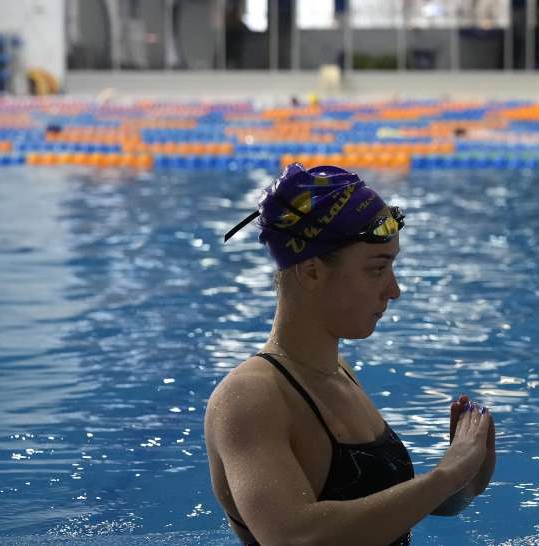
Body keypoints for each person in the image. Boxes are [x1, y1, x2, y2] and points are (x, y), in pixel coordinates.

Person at [205, 163, 496, 546]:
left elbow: (386, 511)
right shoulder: (251, 398)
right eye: (377, 269)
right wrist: (445, 474)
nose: (394, 291)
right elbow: (293, 537)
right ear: (311, 272)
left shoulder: (337, 372)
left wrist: (468, 479)